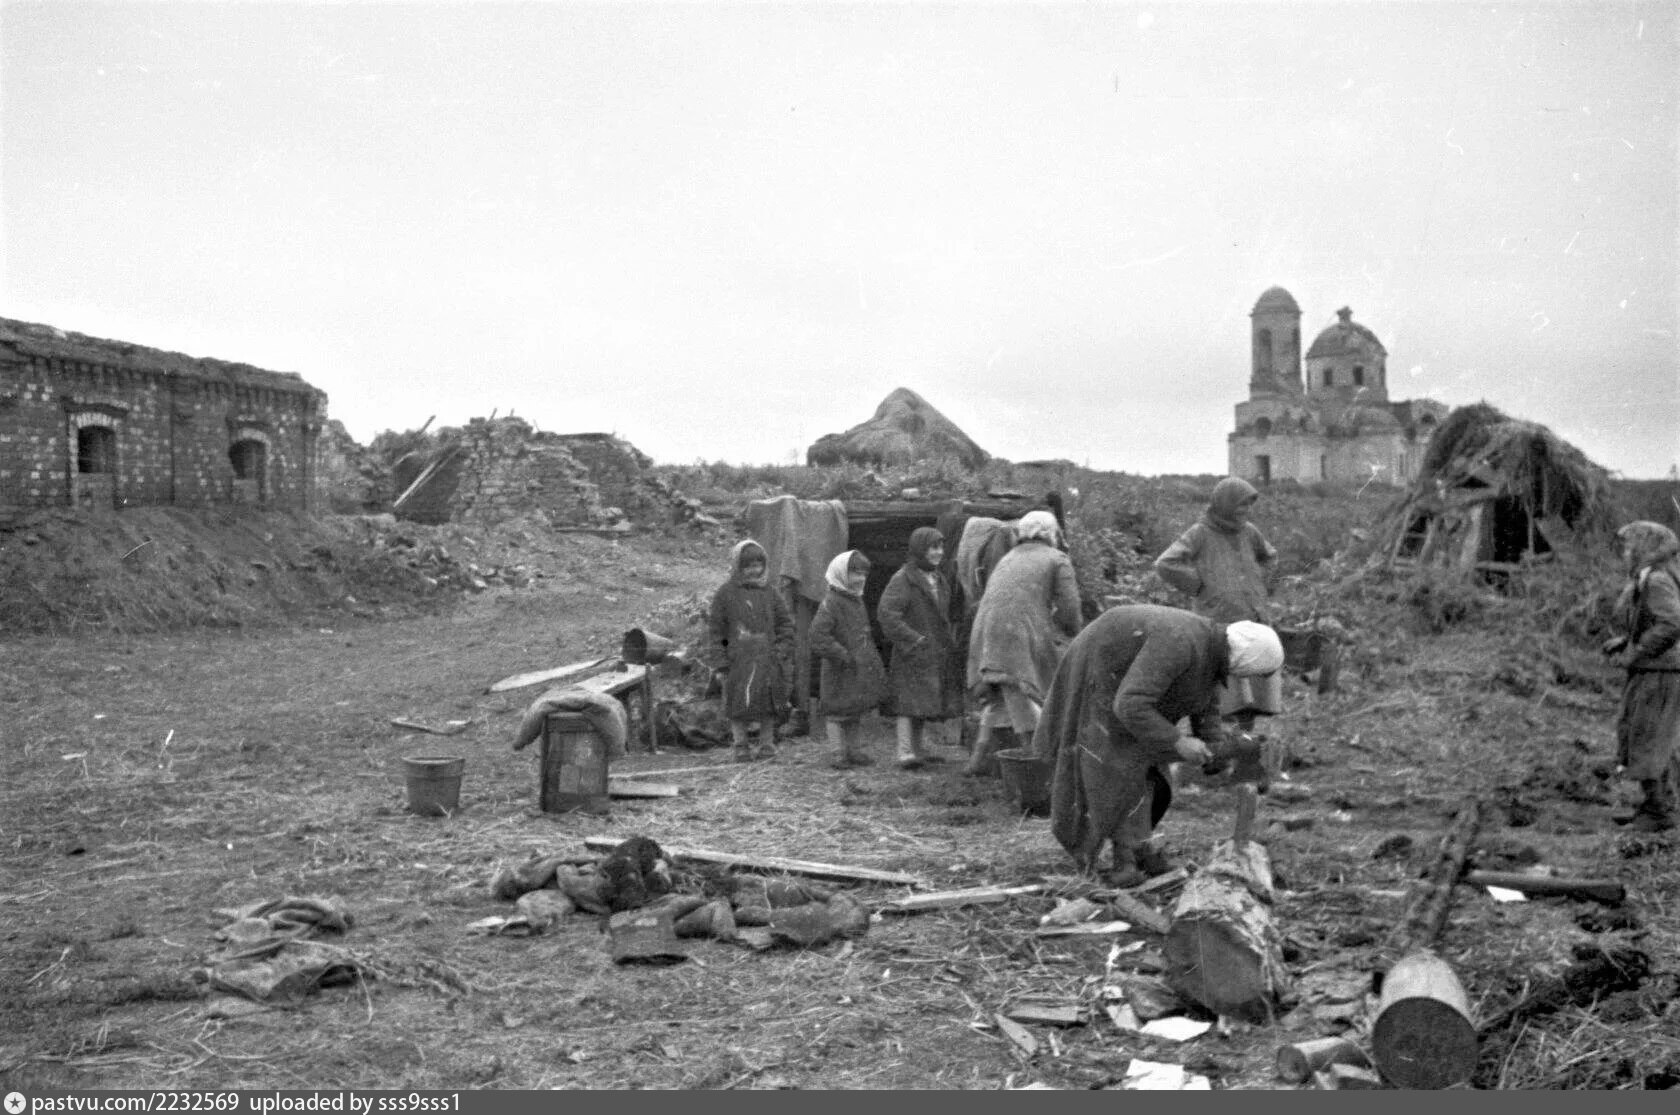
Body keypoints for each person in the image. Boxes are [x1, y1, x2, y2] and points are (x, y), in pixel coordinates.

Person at [1035, 603, 1285, 886]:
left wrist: (1216, 748)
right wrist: (1177, 740)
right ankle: (1121, 860)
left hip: (1128, 692)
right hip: (1101, 671)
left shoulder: (1215, 648)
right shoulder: (1181, 643)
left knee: (1151, 770)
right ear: (1246, 660)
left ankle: (1137, 850)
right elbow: (1130, 704)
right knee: (1114, 768)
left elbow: (1206, 702)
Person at [1153, 476, 1282, 738]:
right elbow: (1166, 563)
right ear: (1225, 504)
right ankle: (1215, 741)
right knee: (1219, 689)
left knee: (1252, 687)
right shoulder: (1200, 533)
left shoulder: (1249, 532)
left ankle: (1244, 738)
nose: (1245, 510)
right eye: (1240, 504)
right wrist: (1199, 585)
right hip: (1218, 620)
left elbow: (1270, 556)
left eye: (1248, 505)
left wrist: (1260, 583)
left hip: (1253, 616)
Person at [964, 510, 1084, 777]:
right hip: (1016, 633)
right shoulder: (1056, 558)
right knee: (1024, 693)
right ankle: (1036, 764)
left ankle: (978, 759)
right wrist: (1073, 632)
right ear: (1051, 533)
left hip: (986, 631)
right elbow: (1070, 608)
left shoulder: (1009, 557)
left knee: (1000, 692)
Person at [1603, 521, 1680, 833]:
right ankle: (1656, 804)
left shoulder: (1657, 579)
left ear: (1644, 548)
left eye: (1629, 547)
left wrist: (1637, 652)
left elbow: (1672, 623)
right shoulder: (1651, 577)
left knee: (1649, 737)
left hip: (1659, 671)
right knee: (1646, 735)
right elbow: (1656, 622)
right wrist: (1626, 641)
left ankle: (1660, 811)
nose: (1625, 553)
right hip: (1656, 669)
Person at [878, 526, 963, 769]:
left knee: (922, 701)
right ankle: (905, 752)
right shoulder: (903, 578)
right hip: (912, 652)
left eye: (941, 547)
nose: (939, 552)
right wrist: (913, 639)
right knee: (907, 703)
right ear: (919, 549)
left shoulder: (939, 579)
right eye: (932, 548)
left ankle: (917, 750)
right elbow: (887, 614)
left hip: (933, 651)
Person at [706, 539, 794, 763]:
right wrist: (721, 662)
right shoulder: (725, 594)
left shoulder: (771, 593)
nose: (754, 570)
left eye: (758, 565)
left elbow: (785, 623)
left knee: (768, 704)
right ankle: (741, 746)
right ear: (737, 566)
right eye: (748, 566)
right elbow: (716, 630)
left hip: (767, 659)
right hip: (737, 660)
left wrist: (780, 650)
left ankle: (766, 745)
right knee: (737, 705)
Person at [809, 550, 887, 769]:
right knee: (836, 712)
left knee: (854, 708)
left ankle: (853, 749)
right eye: (855, 573)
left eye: (863, 574)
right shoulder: (831, 602)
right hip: (838, 667)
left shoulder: (855, 599)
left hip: (855, 666)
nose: (860, 578)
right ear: (841, 573)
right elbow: (817, 635)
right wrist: (840, 654)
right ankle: (837, 753)